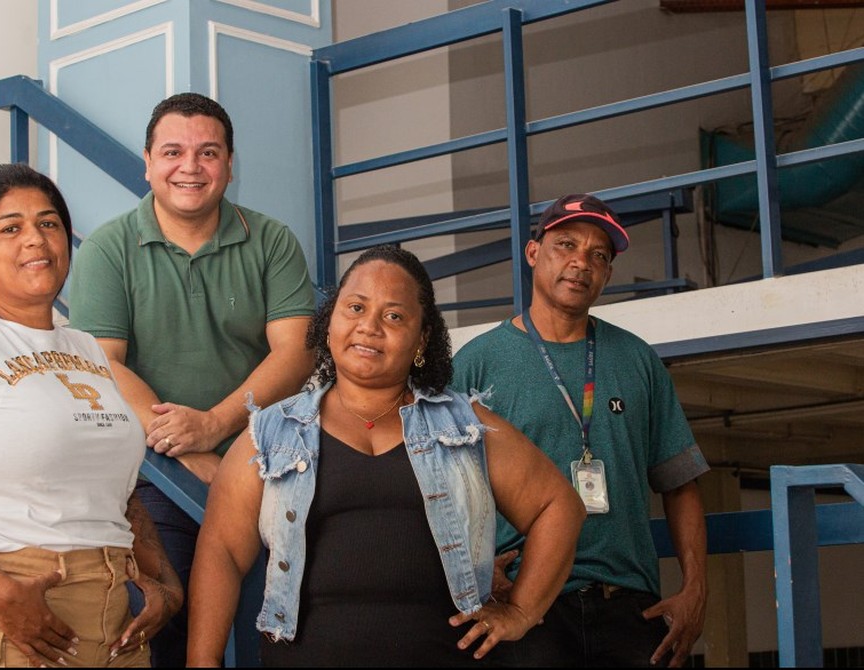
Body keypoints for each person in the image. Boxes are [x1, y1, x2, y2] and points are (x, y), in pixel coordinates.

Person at [186, 244, 586, 667]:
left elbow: (558, 507)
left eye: (394, 316)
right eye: (355, 307)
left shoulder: (464, 425)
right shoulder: (271, 431)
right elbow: (222, 551)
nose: (369, 327)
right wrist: (202, 660)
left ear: (422, 338)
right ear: (329, 323)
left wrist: (522, 611)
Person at [0, 163, 182, 668]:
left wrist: (165, 580)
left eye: (48, 223)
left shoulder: (87, 348)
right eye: (10, 228)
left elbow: (117, 489)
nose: (35, 240)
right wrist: (2, 597)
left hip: (110, 622)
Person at [68, 92, 316, 667]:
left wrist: (215, 427)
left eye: (208, 152)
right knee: (165, 623)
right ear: (148, 162)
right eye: (173, 152)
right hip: (154, 477)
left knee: (283, 627)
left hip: (270, 465)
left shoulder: (272, 240)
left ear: (229, 165)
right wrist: (187, 450)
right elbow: (103, 365)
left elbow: (297, 352)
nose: (191, 166)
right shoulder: (108, 248)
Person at [451, 193, 709, 667]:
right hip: (524, 608)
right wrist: (473, 573)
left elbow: (680, 485)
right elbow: (437, 491)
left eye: (598, 255)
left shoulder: (637, 360)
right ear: (533, 254)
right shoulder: (476, 364)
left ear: (608, 273)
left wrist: (696, 589)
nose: (580, 263)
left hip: (630, 606)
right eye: (566, 245)